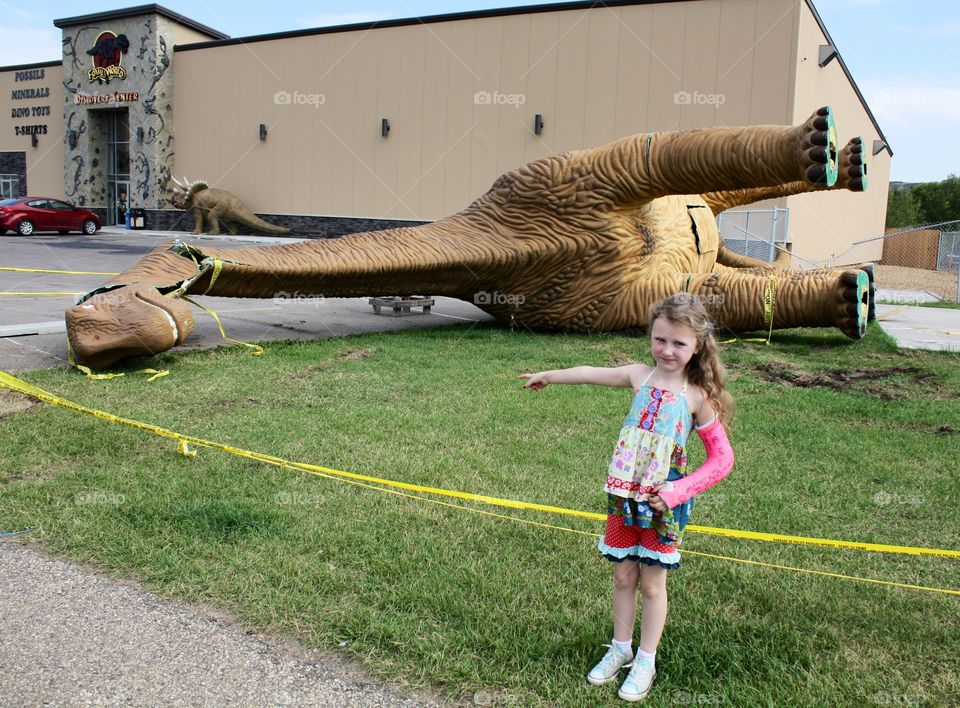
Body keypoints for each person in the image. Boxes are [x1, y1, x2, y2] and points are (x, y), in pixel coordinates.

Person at [520, 293, 734, 702]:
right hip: (623, 493)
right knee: (623, 575)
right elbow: (590, 372)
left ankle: (646, 660)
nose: (667, 350)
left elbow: (722, 459)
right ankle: (620, 649)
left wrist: (677, 491)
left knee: (652, 583)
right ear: (650, 337)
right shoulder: (640, 376)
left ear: (697, 347)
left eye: (678, 343)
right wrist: (549, 373)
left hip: (661, 501)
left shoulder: (697, 397)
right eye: (660, 339)